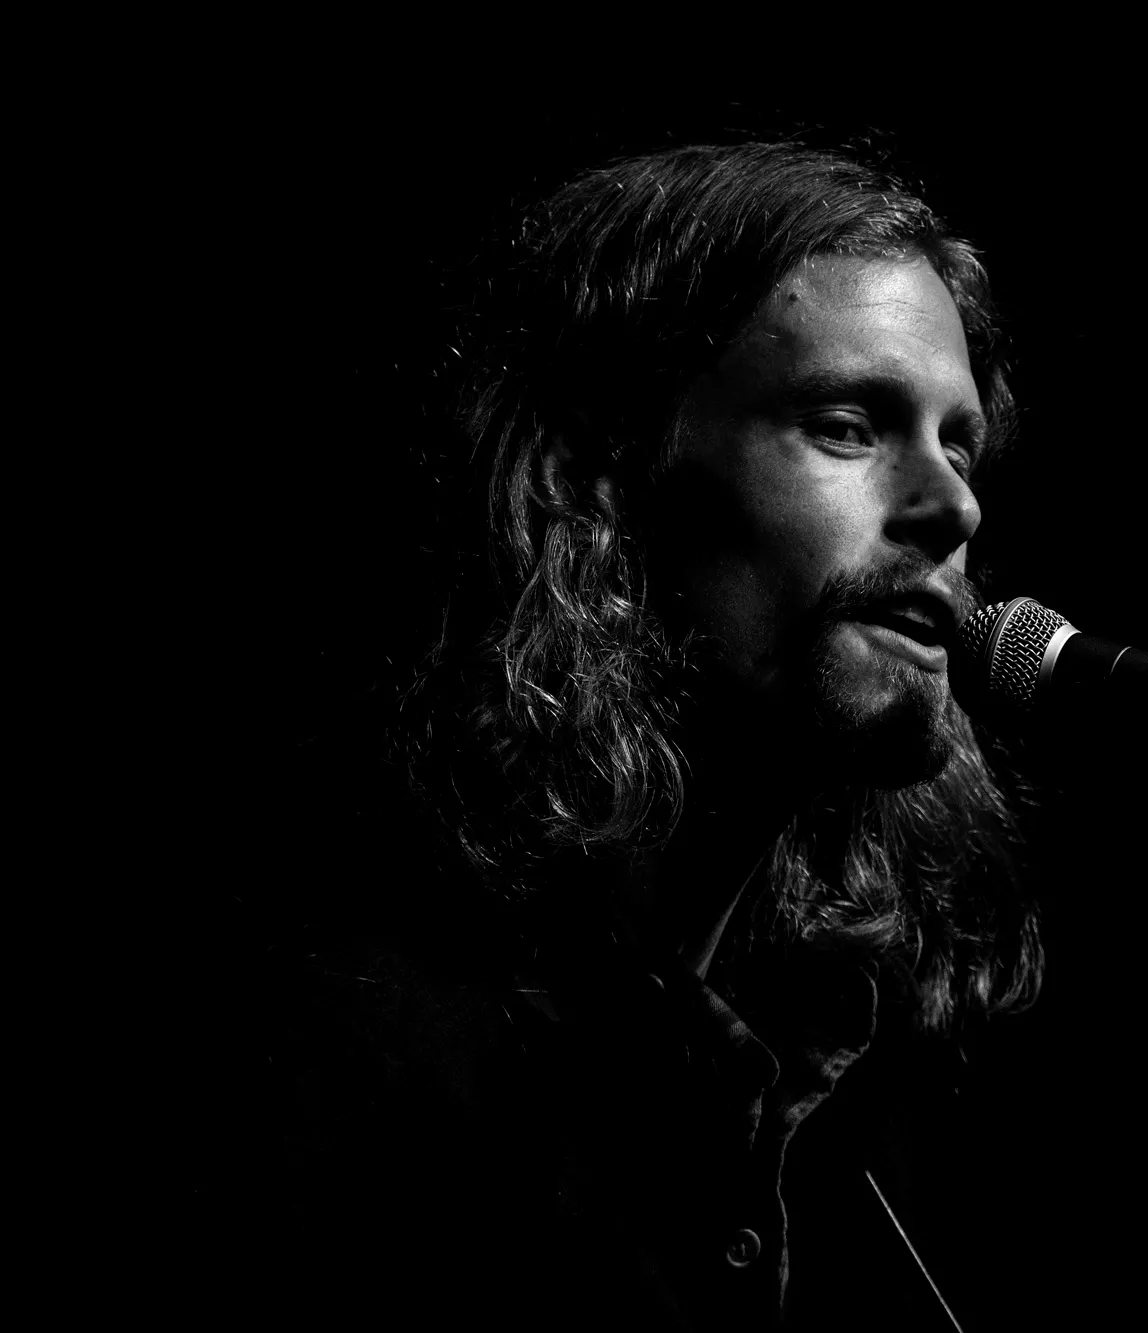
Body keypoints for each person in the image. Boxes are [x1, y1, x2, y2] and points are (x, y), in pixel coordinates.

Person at [229, 142, 1044, 1329]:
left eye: (956, 443)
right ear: (604, 478)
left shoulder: (851, 1076)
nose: (953, 504)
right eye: (845, 426)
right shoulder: (337, 1024)